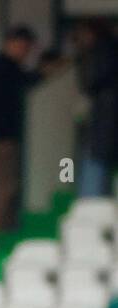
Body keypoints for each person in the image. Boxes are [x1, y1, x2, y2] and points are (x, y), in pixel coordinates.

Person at [0, 26, 40, 249]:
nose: (26, 52)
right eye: (24, 47)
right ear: (13, 43)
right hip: (0, 139)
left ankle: (2, 235)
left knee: (5, 187)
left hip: (0, 137)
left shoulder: (3, 66)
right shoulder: (2, 67)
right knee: (2, 188)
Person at [75, 19, 118, 198]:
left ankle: (88, 208)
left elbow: (89, 83)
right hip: (107, 129)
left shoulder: (100, 52)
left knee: (92, 167)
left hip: (102, 127)